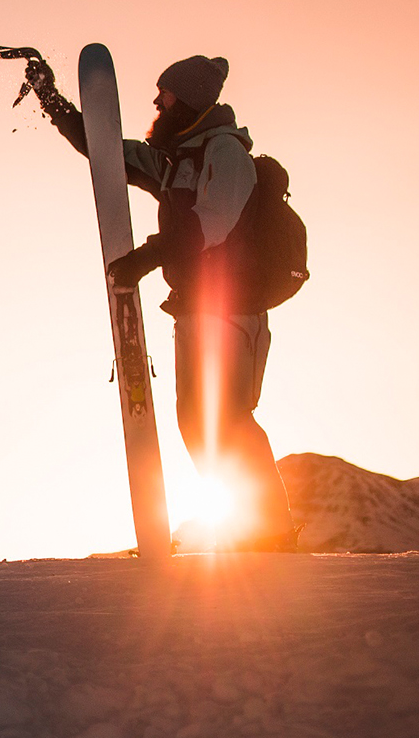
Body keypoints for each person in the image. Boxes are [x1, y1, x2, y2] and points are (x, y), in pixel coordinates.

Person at [36, 54, 296, 551]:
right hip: (196, 310)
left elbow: (213, 220)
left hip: (234, 311)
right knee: (197, 422)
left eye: (167, 94)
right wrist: (54, 103)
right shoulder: (177, 160)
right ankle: (253, 532)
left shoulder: (225, 153)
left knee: (227, 419)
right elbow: (109, 153)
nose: (157, 101)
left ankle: (272, 536)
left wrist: (148, 256)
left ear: (191, 99)